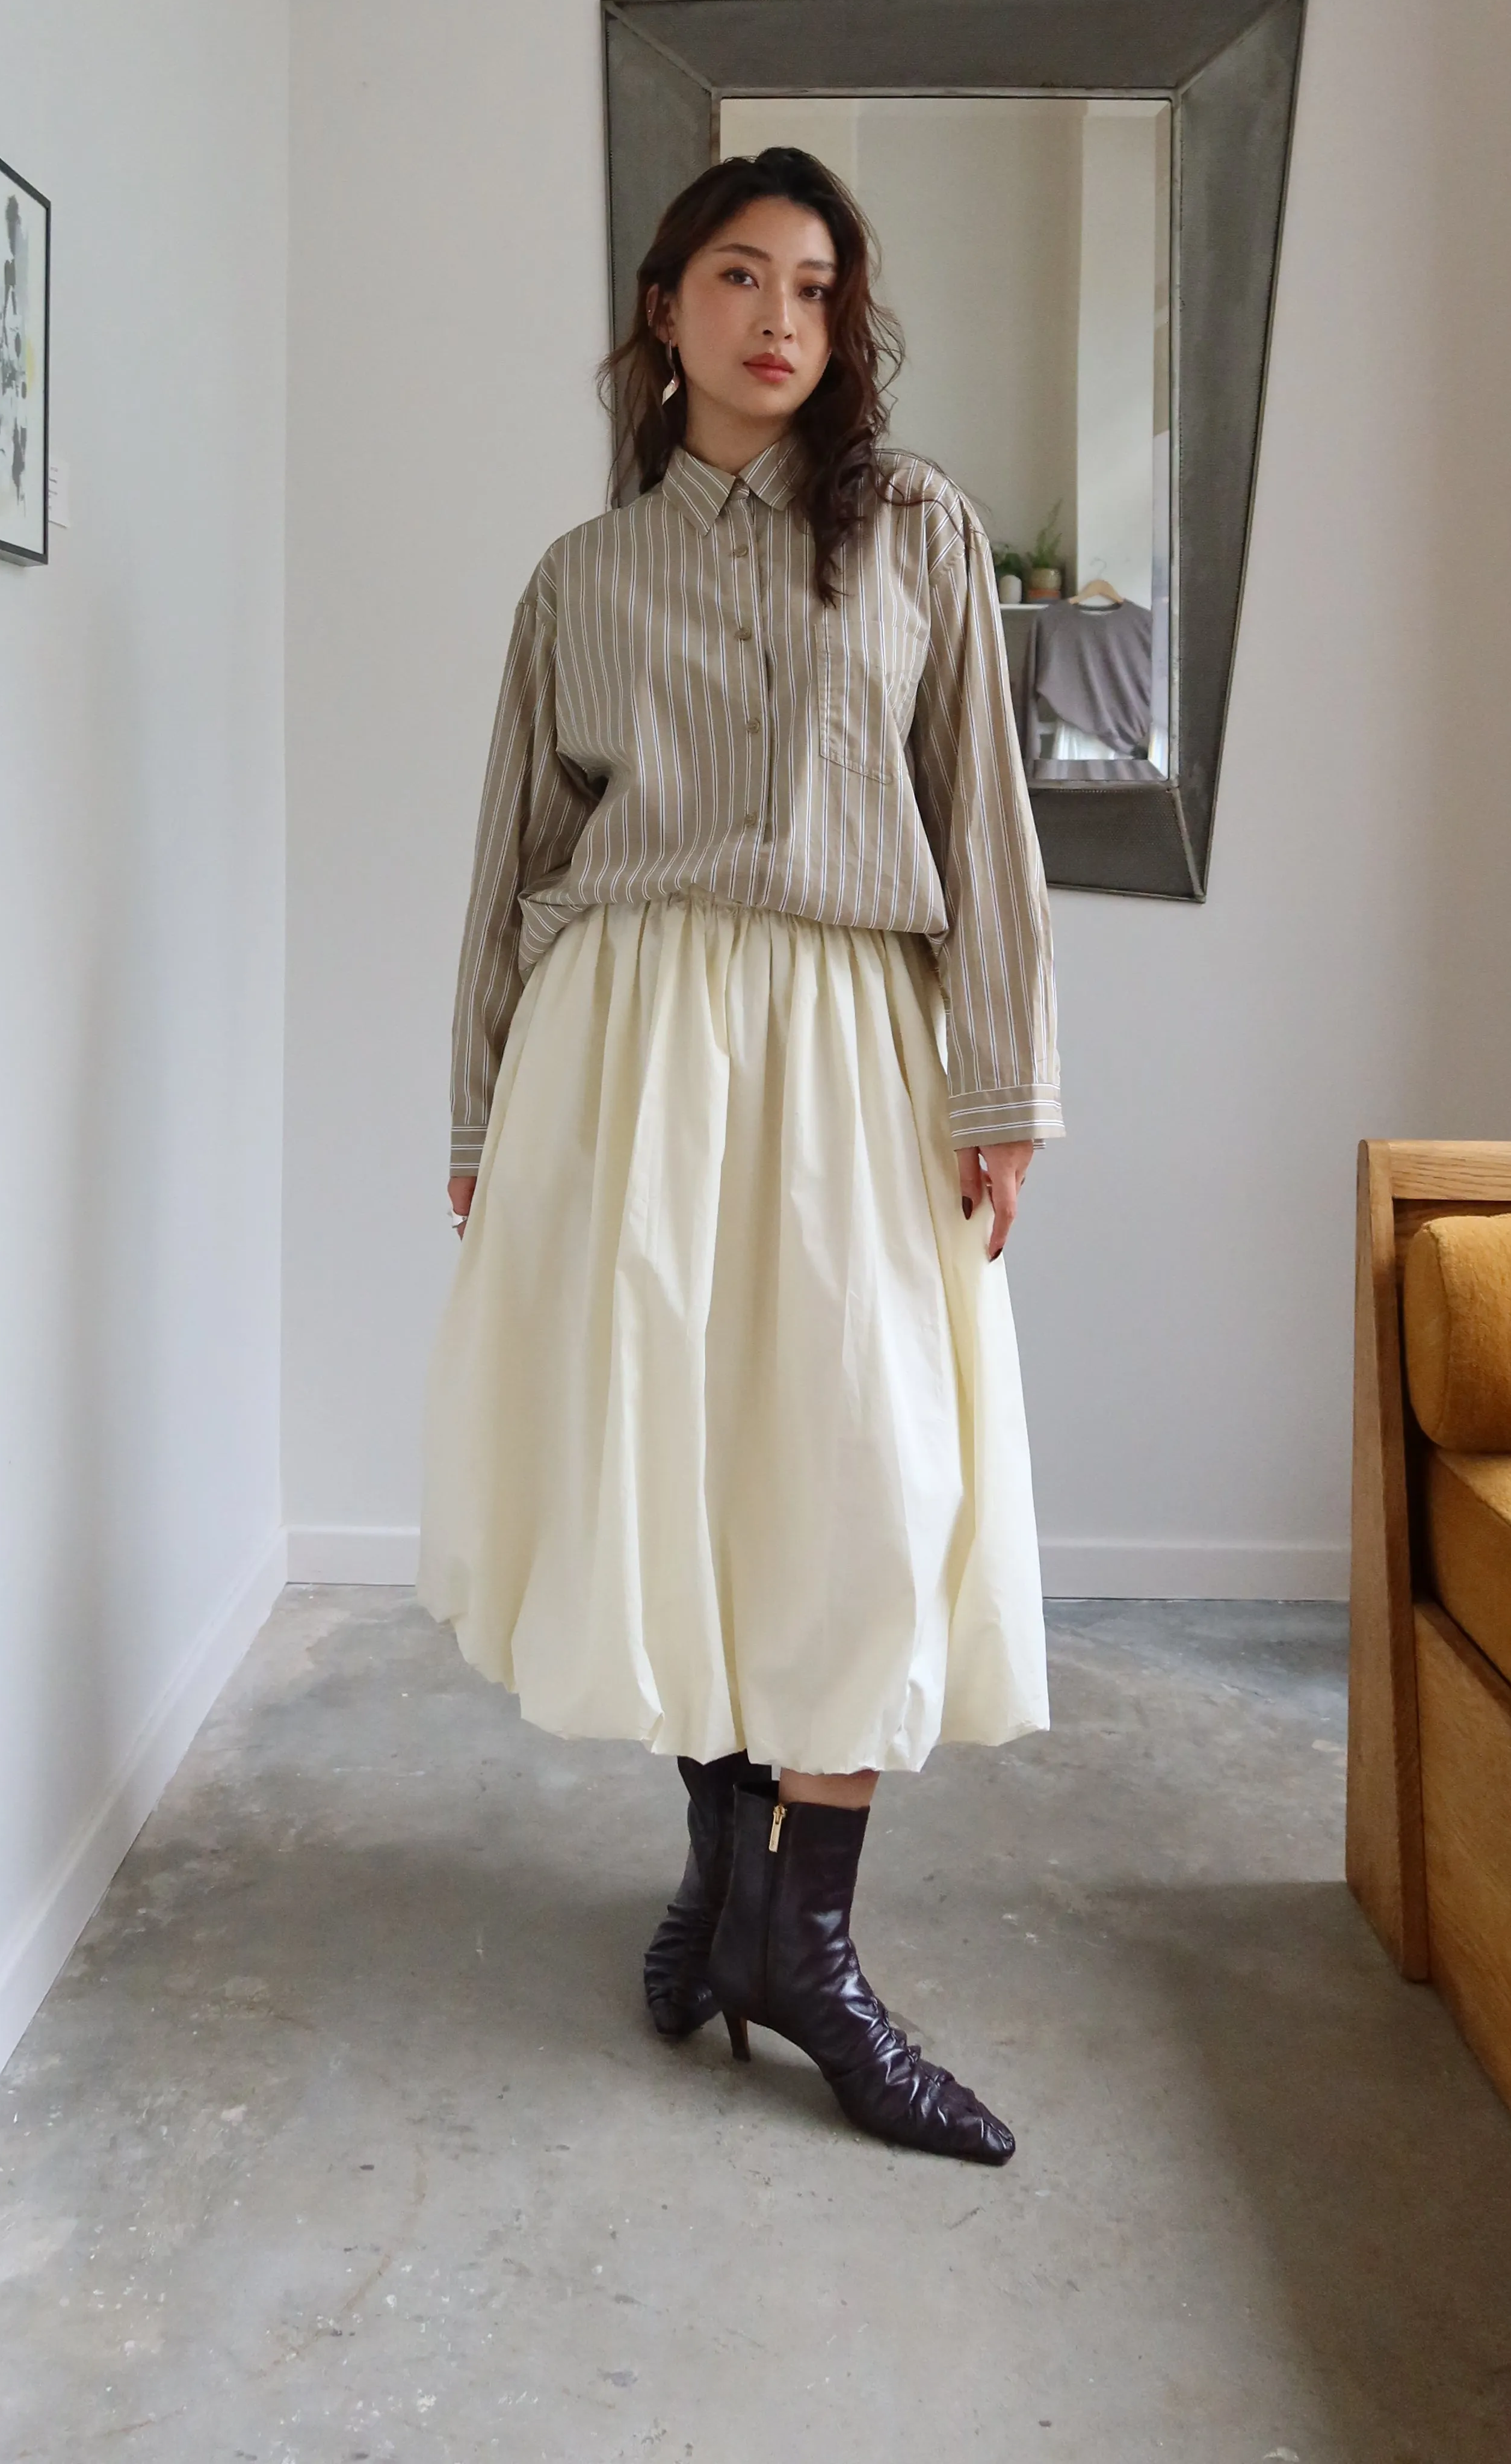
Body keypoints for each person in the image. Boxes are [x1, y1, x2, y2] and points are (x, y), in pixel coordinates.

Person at [419, 147, 1061, 2167]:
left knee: (868, 1471)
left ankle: (811, 1943)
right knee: (682, 1460)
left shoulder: (919, 536)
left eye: (816, 284)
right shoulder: (580, 581)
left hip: (853, 1041)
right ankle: (727, 1878)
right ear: (665, 307)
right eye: (738, 276)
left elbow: (985, 823)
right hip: (624, 1050)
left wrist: (999, 1084)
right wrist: (479, 1106)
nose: (782, 317)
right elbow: (514, 861)